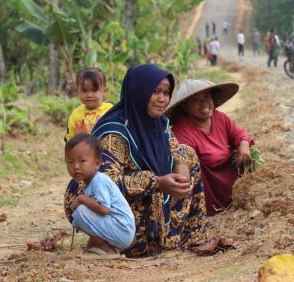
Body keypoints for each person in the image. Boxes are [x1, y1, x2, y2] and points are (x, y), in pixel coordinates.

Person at [64, 64, 211, 257]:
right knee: (80, 189)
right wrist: (157, 182)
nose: (162, 99)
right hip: (122, 214)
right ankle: (104, 242)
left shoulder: (160, 123)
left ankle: (189, 233)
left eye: (166, 93)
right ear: (139, 91)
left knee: (187, 153)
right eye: (155, 91)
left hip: (155, 207)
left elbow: (175, 148)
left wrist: (181, 171)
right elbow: (107, 182)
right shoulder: (114, 132)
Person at [166, 79, 253, 215]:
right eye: (196, 100)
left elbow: (239, 134)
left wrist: (244, 146)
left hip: (233, 184)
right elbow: (184, 164)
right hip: (209, 191)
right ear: (185, 106)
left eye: (207, 96)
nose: (204, 103)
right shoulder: (181, 132)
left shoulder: (220, 118)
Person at [66, 133, 135, 256]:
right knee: (81, 214)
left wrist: (81, 198)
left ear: (97, 164)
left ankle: (108, 251)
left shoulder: (99, 180)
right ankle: (93, 249)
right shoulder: (91, 181)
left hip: (122, 228)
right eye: (70, 162)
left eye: (82, 161)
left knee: (81, 212)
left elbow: (103, 209)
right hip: (118, 228)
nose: (76, 167)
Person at [66, 68, 113, 141]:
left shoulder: (111, 111)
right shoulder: (75, 115)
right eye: (84, 91)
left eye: (94, 90)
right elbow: (70, 138)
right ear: (77, 91)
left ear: (104, 91)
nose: (89, 95)